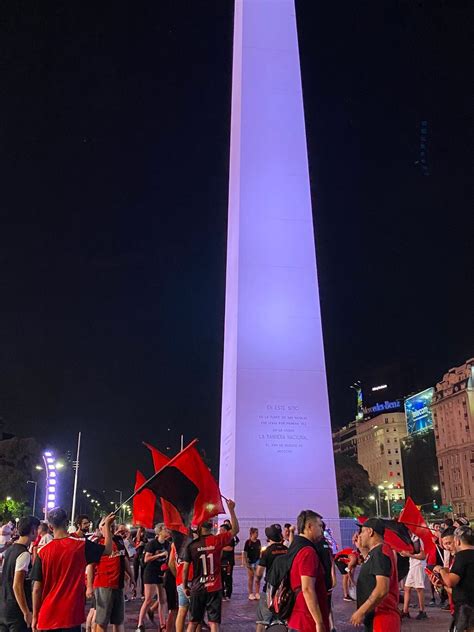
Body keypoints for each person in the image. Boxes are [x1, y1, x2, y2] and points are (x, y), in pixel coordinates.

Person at [31, 508, 115, 632]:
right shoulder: (81, 545)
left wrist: (34, 616)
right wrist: (107, 526)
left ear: (50, 526)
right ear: (67, 522)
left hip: (47, 615)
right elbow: (108, 550)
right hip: (70, 614)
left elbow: (37, 589)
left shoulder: (42, 551)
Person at [182, 498, 239, 632]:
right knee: (214, 623)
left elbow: (185, 570)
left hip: (197, 587)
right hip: (214, 586)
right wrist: (231, 510)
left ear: (199, 529)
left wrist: (185, 586)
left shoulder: (192, 546)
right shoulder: (217, 540)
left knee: (193, 622)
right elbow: (235, 530)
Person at [350, 518, 400, 632]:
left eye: (362, 531)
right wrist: (361, 548)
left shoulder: (380, 553)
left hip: (381, 617)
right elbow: (370, 563)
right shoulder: (376, 552)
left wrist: (361, 611)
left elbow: (382, 589)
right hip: (376, 616)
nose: (360, 535)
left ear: (370, 532)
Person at [87, 516, 134, 632]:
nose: (111, 528)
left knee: (118, 620)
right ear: (100, 527)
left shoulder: (119, 540)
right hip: (104, 585)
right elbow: (90, 566)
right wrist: (89, 586)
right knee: (102, 621)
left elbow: (125, 559)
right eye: (108, 525)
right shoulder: (97, 542)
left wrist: (132, 577)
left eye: (113, 525)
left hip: (118, 585)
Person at [285, 510, 329, 632]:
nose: (322, 530)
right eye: (320, 526)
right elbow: (308, 589)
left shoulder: (295, 546)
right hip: (307, 620)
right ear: (310, 527)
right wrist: (319, 622)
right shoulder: (308, 552)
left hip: (297, 615)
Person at [0, 516, 40, 632]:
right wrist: (26, 612)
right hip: (16, 612)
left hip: (4, 607)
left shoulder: (11, 549)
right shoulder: (24, 554)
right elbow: (17, 585)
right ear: (33, 530)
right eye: (36, 529)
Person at [433, 525, 474, 631]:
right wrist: (442, 585)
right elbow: (463, 587)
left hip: (466, 610)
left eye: (450, 543)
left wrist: (440, 570)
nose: (447, 547)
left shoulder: (462, 556)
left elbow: (450, 581)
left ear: (458, 541)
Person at [135, 523, 170, 632]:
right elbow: (146, 559)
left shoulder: (168, 544)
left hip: (161, 572)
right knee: (149, 599)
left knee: (162, 599)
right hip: (150, 573)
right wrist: (160, 555)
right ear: (159, 532)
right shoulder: (152, 544)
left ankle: (162, 624)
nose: (167, 531)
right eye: (165, 529)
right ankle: (140, 623)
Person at [255, 523, 287, 632]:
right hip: (285, 590)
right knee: (286, 620)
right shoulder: (287, 550)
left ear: (269, 538)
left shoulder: (267, 551)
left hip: (269, 590)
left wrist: (257, 582)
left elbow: (259, 573)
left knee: (262, 621)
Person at [400, 535, 427, 620]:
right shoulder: (411, 538)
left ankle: (422, 611)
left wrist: (409, 555)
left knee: (419, 589)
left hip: (418, 565)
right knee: (407, 588)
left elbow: (423, 556)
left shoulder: (419, 539)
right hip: (412, 565)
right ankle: (405, 611)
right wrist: (405, 554)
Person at [243, 528, 262, 600]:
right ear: (252, 533)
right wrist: (246, 562)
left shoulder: (258, 541)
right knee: (251, 577)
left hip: (257, 561)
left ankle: (257, 593)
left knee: (258, 577)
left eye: (258, 533)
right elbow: (245, 553)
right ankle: (250, 593)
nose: (257, 534)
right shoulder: (248, 542)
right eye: (256, 533)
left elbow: (260, 551)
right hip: (250, 561)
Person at [132, 527, 148, 598]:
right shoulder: (135, 539)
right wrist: (139, 545)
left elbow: (148, 549)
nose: (141, 533)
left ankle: (143, 593)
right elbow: (132, 549)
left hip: (142, 557)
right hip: (136, 557)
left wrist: (144, 545)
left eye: (143, 532)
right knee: (135, 575)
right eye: (140, 531)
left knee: (142, 576)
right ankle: (134, 593)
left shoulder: (145, 540)